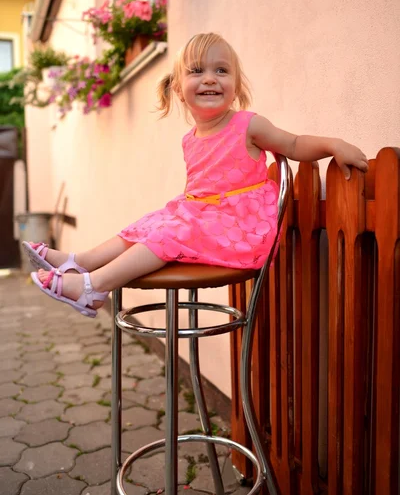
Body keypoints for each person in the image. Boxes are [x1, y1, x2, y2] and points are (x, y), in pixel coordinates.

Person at [25, 32, 369, 318]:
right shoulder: (189, 139)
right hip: (205, 218)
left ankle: (93, 287)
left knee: (171, 232)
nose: (209, 78)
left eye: (221, 71)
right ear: (178, 88)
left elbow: (293, 143)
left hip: (239, 225)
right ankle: (79, 261)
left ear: (236, 85)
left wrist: (333, 144)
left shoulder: (247, 124)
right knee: (151, 223)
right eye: (197, 71)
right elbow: (200, 192)